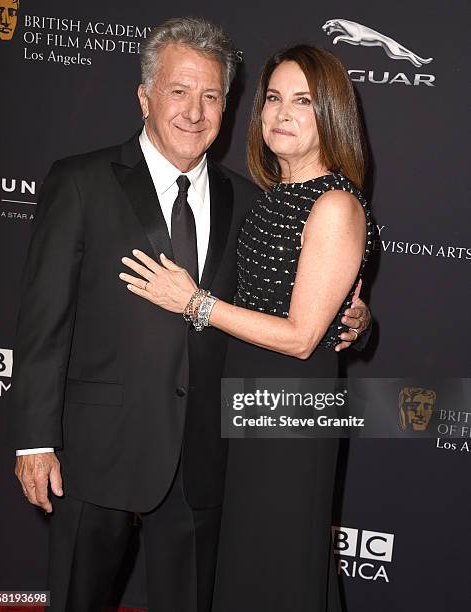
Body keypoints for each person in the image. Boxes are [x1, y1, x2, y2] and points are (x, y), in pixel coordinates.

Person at [10, 16, 370, 612]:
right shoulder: (80, 182)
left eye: (211, 96)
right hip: (96, 454)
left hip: (210, 460)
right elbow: (42, 322)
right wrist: (33, 441)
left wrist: (356, 319)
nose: (195, 111)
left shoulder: (250, 198)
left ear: (228, 108)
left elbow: (300, 294)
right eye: (179, 92)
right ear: (145, 97)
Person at [120, 43, 371, 611]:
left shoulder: (333, 204)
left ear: (331, 113)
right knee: (247, 560)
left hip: (291, 399)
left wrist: (193, 302)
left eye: (303, 101)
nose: (282, 114)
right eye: (274, 98)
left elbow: (303, 336)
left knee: (278, 560)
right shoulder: (273, 196)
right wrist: (359, 315)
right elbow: (304, 296)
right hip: (249, 390)